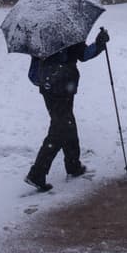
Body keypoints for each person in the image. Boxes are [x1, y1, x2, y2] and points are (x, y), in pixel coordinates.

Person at [24, 26, 109, 192]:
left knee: (66, 123)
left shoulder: (43, 34)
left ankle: (73, 165)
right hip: (59, 89)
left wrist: (99, 43)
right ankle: (37, 173)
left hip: (57, 88)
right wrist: (99, 43)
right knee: (61, 127)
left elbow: (82, 54)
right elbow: (83, 54)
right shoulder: (66, 31)